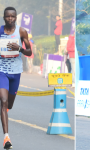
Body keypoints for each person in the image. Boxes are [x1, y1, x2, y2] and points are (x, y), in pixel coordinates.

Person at [0, 7, 32, 149]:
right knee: (4, 101)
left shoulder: (21, 31)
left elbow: (30, 51)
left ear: (16, 18)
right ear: (4, 17)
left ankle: (3, 109)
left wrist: (19, 48)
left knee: (9, 105)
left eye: (13, 16)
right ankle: (6, 137)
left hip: (16, 72)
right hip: (1, 71)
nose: (11, 19)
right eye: (8, 16)